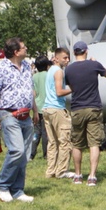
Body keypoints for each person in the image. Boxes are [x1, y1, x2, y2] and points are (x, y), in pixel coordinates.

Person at [0, 37, 37, 202]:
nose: (26, 49)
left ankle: (17, 190)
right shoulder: (1, 67)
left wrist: (35, 111)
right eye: (24, 47)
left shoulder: (26, 66)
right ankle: (2, 185)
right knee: (17, 150)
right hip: (8, 114)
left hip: (26, 115)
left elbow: (30, 91)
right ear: (16, 52)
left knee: (25, 155)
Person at [64, 41, 106, 185]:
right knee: (94, 143)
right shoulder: (93, 65)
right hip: (93, 107)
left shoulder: (68, 69)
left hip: (77, 108)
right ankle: (92, 176)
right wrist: (97, 63)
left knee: (77, 144)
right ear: (86, 51)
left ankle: (78, 175)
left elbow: (71, 86)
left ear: (74, 53)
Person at [42, 47, 74, 178]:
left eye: (68, 58)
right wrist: (73, 89)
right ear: (56, 58)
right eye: (64, 58)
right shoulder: (59, 71)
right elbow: (59, 92)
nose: (67, 60)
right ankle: (61, 171)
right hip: (57, 108)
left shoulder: (50, 70)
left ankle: (51, 171)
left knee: (52, 142)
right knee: (64, 141)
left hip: (47, 108)